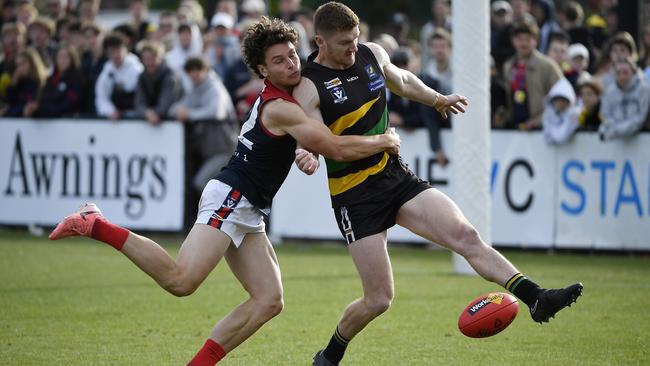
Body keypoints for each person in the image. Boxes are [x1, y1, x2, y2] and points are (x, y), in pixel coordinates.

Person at [48, 16, 400, 366]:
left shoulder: (292, 96)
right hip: (233, 197)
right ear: (263, 70)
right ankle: (94, 223)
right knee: (181, 280)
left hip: (249, 206)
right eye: (278, 61)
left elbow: (312, 136)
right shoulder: (279, 107)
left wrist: (304, 153)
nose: (291, 64)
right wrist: (382, 141)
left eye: (293, 54)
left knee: (268, 300)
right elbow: (332, 146)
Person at [291, 3, 584, 365]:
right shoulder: (308, 84)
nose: (353, 48)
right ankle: (331, 353)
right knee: (379, 298)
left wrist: (437, 99)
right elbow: (316, 137)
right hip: (354, 196)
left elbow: (402, 80)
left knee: (466, 236)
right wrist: (308, 152)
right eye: (344, 43)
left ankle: (537, 298)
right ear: (320, 41)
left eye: (356, 40)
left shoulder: (370, 53)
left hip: (394, 177)